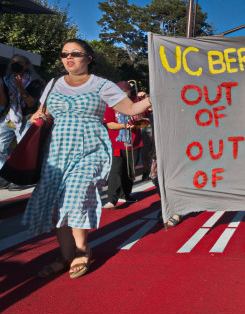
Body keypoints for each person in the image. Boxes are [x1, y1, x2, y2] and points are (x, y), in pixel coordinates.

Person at [22, 39, 152, 279]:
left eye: (75, 53)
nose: (68, 57)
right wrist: (35, 117)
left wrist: (155, 97)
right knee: (57, 204)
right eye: (64, 54)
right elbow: (44, 112)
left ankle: (82, 250)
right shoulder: (54, 84)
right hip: (57, 151)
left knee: (77, 195)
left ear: (89, 58)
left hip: (90, 148)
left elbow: (131, 110)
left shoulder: (102, 85)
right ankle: (65, 256)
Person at [0, 55, 45, 189]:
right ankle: (5, 175)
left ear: (26, 65)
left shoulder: (36, 81)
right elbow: (3, 102)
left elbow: (31, 102)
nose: (16, 65)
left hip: (27, 118)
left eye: (19, 63)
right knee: (1, 146)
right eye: (13, 62)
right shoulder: (6, 80)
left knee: (23, 148)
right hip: (9, 117)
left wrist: (20, 87)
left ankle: (21, 179)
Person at [102, 81, 144, 209]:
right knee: (116, 170)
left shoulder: (135, 102)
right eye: (124, 93)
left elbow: (146, 115)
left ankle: (125, 194)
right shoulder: (111, 105)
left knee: (130, 170)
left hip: (135, 142)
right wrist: (124, 126)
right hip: (117, 143)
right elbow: (110, 124)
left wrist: (145, 98)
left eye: (128, 93)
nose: (126, 96)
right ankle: (111, 199)